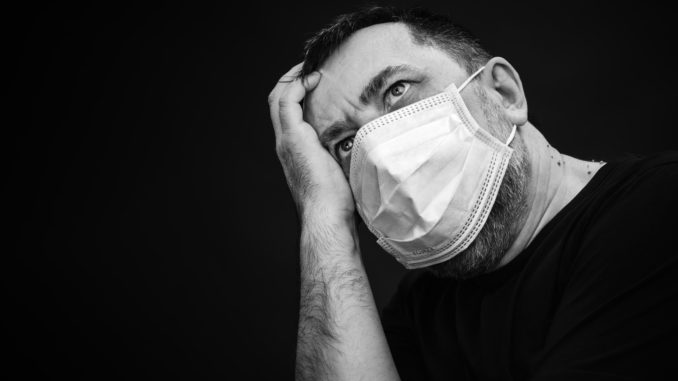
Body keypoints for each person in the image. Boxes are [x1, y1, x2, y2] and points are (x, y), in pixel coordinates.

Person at [268, 6, 678, 381]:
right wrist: (323, 216)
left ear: (503, 94)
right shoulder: (422, 310)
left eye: (396, 90)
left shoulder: (655, 210)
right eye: (346, 143)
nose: (378, 154)